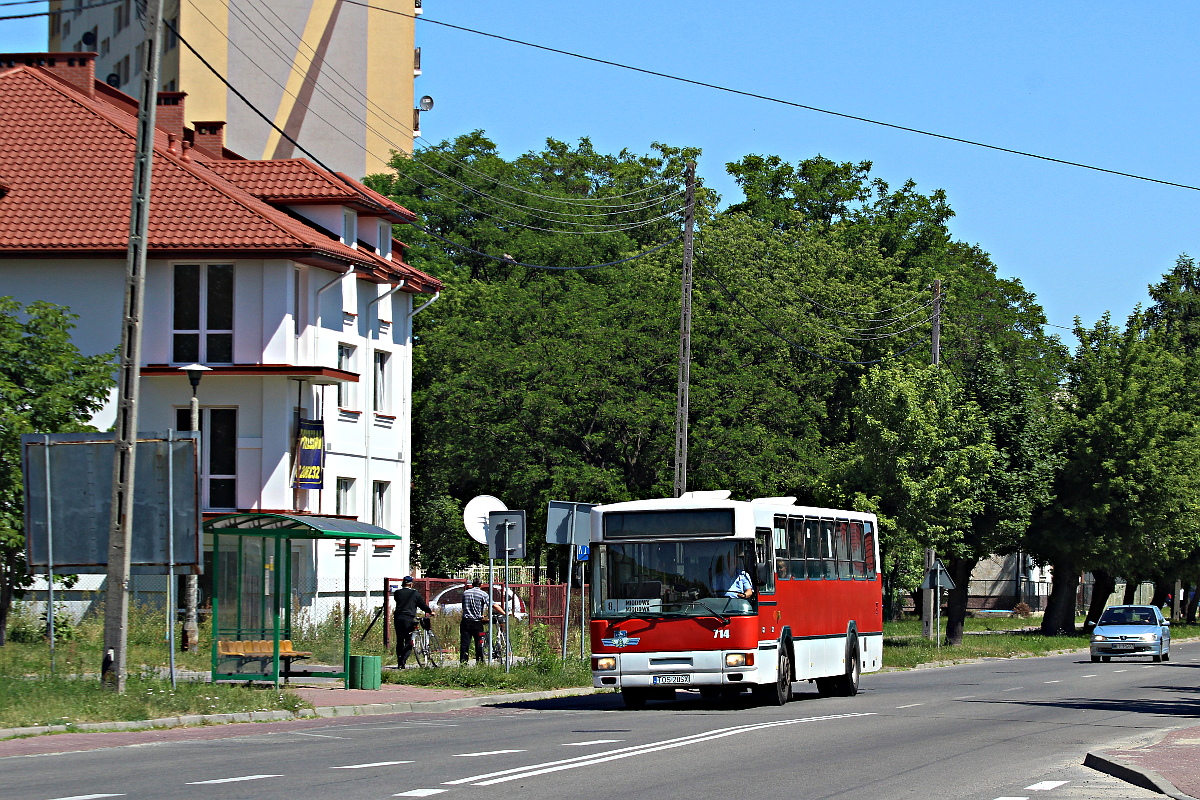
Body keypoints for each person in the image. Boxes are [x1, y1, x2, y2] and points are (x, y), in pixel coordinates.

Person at [460, 577, 505, 664]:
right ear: (481, 585)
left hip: (465, 622)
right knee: (479, 643)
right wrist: (504, 612)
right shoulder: (483, 594)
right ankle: (480, 663)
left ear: (472, 584)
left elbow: (465, 607)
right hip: (477, 623)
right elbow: (493, 605)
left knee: (465, 644)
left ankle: (463, 663)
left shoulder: (465, 593)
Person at [392, 576, 432, 669]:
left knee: (400, 640)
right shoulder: (414, 593)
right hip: (408, 618)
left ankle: (399, 660)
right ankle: (403, 661)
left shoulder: (397, 593)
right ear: (411, 584)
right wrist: (430, 611)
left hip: (398, 617)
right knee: (409, 640)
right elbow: (422, 605)